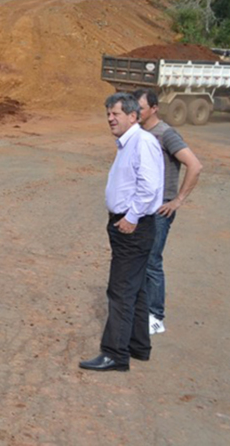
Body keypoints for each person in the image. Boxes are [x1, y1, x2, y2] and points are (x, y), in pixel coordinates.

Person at [80, 92, 164, 372]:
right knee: (136, 289)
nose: (110, 119)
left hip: (133, 227)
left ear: (133, 116)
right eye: (108, 114)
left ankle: (115, 353)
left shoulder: (142, 142)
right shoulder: (128, 144)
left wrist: (131, 217)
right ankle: (138, 346)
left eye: (115, 114)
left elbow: (149, 186)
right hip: (127, 225)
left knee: (120, 291)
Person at [134, 89, 203, 336]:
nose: (135, 112)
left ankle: (155, 316)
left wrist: (177, 200)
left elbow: (195, 165)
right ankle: (141, 310)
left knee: (152, 261)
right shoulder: (140, 134)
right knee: (140, 259)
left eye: (139, 108)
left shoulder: (166, 134)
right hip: (142, 208)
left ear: (154, 108)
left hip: (160, 209)